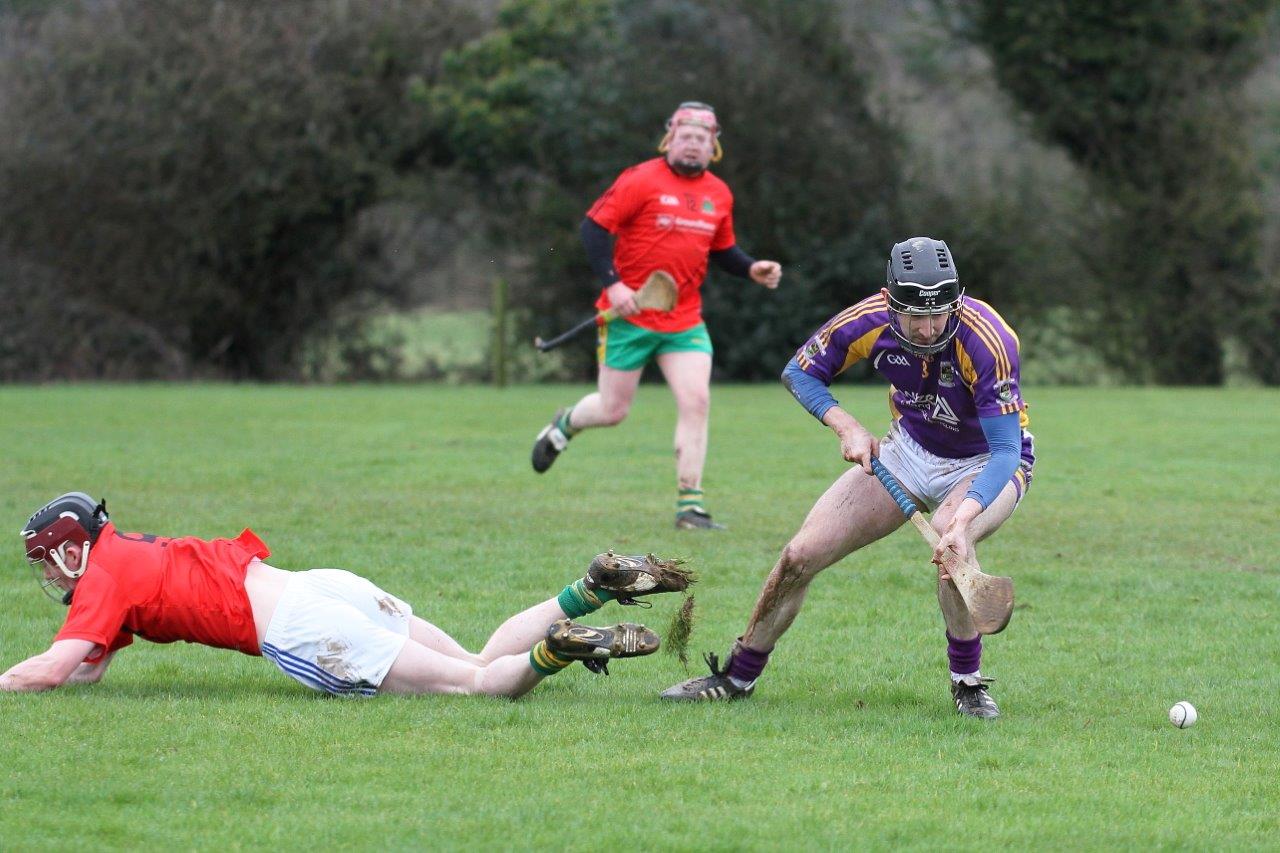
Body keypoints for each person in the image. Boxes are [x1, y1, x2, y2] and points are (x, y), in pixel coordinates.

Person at [660, 237, 1034, 718]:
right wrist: (846, 425)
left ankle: (968, 684)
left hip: (988, 461)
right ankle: (737, 676)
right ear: (890, 302)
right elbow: (800, 371)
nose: (926, 328)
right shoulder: (868, 319)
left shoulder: (989, 341)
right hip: (907, 450)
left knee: (950, 538)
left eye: (938, 314)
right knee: (800, 555)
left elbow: (1005, 450)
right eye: (914, 316)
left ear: (956, 301)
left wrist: (962, 522)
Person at [3, 492, 692, 697]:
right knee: (480, 656)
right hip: (327, 584)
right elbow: (89, 660)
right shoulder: (128, 552)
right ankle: (587, 590)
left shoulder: (100, 576)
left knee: (481, 686)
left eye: (50, 562)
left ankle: (554, 653)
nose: (54, 576)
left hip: (302, 629)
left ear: (71, 549)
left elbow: (59, 666)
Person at [531, 101, 783, 530]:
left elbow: (721, 249)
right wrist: (614, 284)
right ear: (670, 138)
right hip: (628, 316)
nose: (692, 145)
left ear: (713, 146)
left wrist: (750, 268)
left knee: (697, 401)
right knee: (613, 410)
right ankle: (565, 424)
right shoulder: (640, 179)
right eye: (685, 136)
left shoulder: (718, 194)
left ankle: (691, 505)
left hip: (684, 320)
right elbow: (593, 228)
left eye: (702, 139)